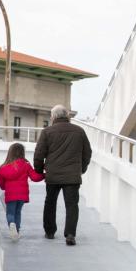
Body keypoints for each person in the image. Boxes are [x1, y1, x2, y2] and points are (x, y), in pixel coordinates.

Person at [34, 105, 91, 246]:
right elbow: (87, 152)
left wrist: (39, 170)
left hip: (52, 175)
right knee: (72, 205)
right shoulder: (79, 131)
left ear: (53, 117)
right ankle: (70, 234)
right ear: (68, 116)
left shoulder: (47, 132)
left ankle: (50, 231)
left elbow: (39, 153)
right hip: (72, 176)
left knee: (50, 203)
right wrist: (81, 169)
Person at [0, 143, 44, 241]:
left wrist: (4, 187)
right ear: (22, 153)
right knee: (18, 212)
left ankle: (11, 225)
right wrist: (44, 175)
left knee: (10, 213)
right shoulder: (26, 165)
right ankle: (17, 232)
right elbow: (35, 177)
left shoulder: (4, 167)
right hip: (22, 195)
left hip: (10, 195)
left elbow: (0, 183)